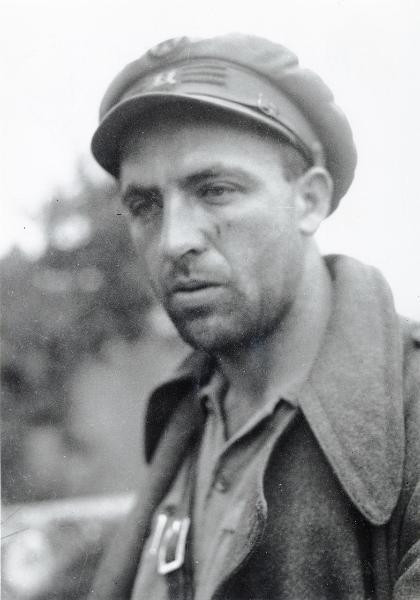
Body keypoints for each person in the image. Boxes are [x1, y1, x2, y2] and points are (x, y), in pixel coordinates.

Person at [88, 34, 420, 600]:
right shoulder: (186, 414)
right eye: (145, 205)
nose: (174, 241)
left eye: (215, 190)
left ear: (309, 201)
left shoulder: (410, 413)